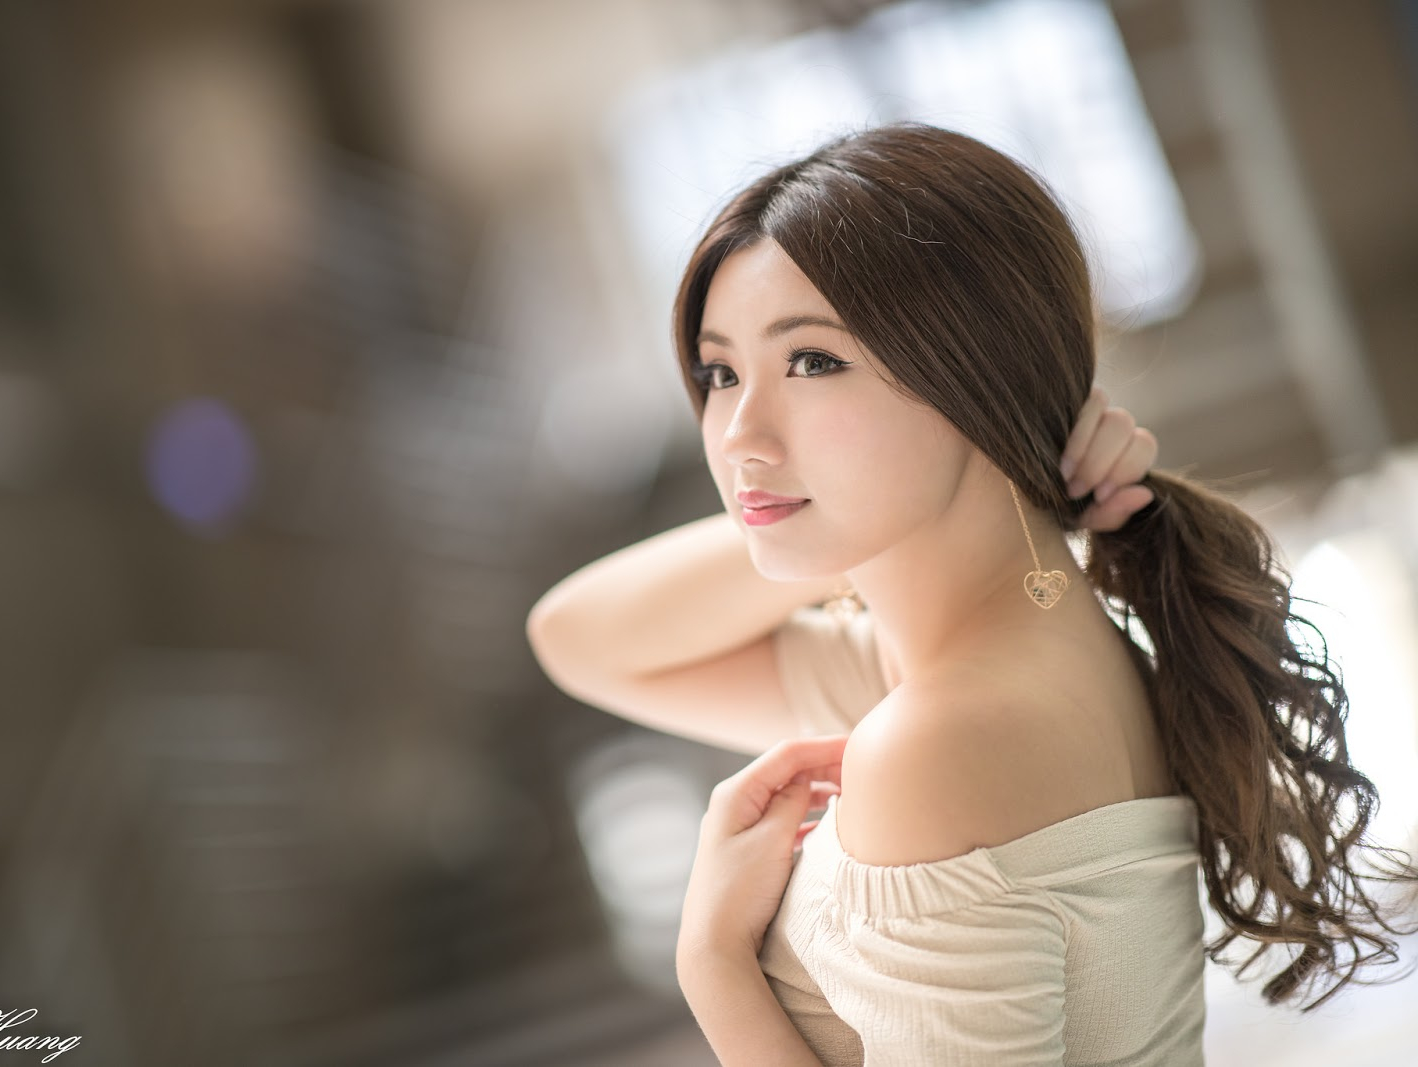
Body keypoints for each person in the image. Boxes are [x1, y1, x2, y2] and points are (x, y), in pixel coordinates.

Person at [527, 122, 1418, 1065]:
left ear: (973, 377)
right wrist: (866, 529)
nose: (740, 432)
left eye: (813, 361)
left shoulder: (943, 739)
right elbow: (578, 637)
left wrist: (714, 966)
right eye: (720, 372)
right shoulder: (1012, 654)